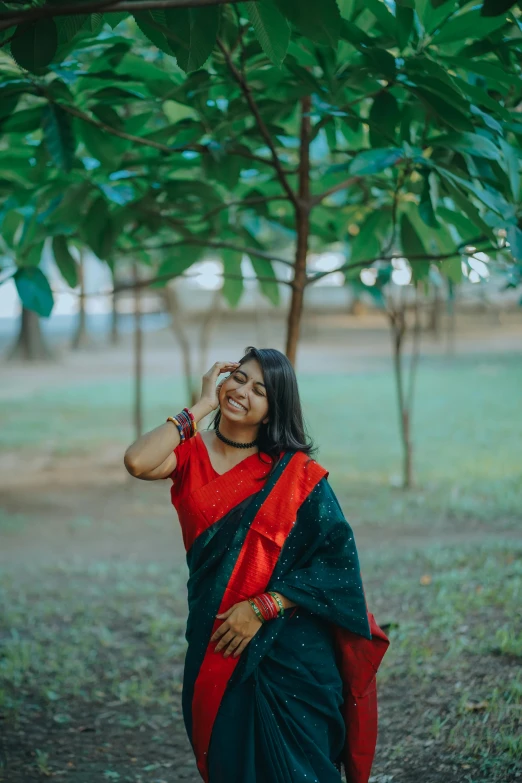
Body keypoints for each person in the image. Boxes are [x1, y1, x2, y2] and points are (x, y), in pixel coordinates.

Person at [124, 346, 390, 783]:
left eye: (259, 390)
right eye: (238, 378)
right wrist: (201, 406)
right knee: (229, 760)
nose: (242, 392)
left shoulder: (295, 475)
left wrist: (264, 606)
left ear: (272, 411)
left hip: (291, 651)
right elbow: (137, 461)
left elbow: (336, 565)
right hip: (216, 633)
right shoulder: (189, 454)